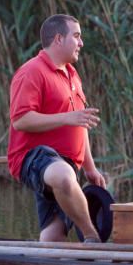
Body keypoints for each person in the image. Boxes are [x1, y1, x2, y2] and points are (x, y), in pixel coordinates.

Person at [8, 14, 107, 243]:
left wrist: (90, 168)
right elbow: (21, 120)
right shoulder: (32, 71)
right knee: (63, 176)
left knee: (54, 235)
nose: (81, 43)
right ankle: (93, 240)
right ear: (59, 39)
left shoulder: (72, 75)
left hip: (67, 163)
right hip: (34, 157)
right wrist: (66, 118)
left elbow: (80, 124)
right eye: (77, 36)